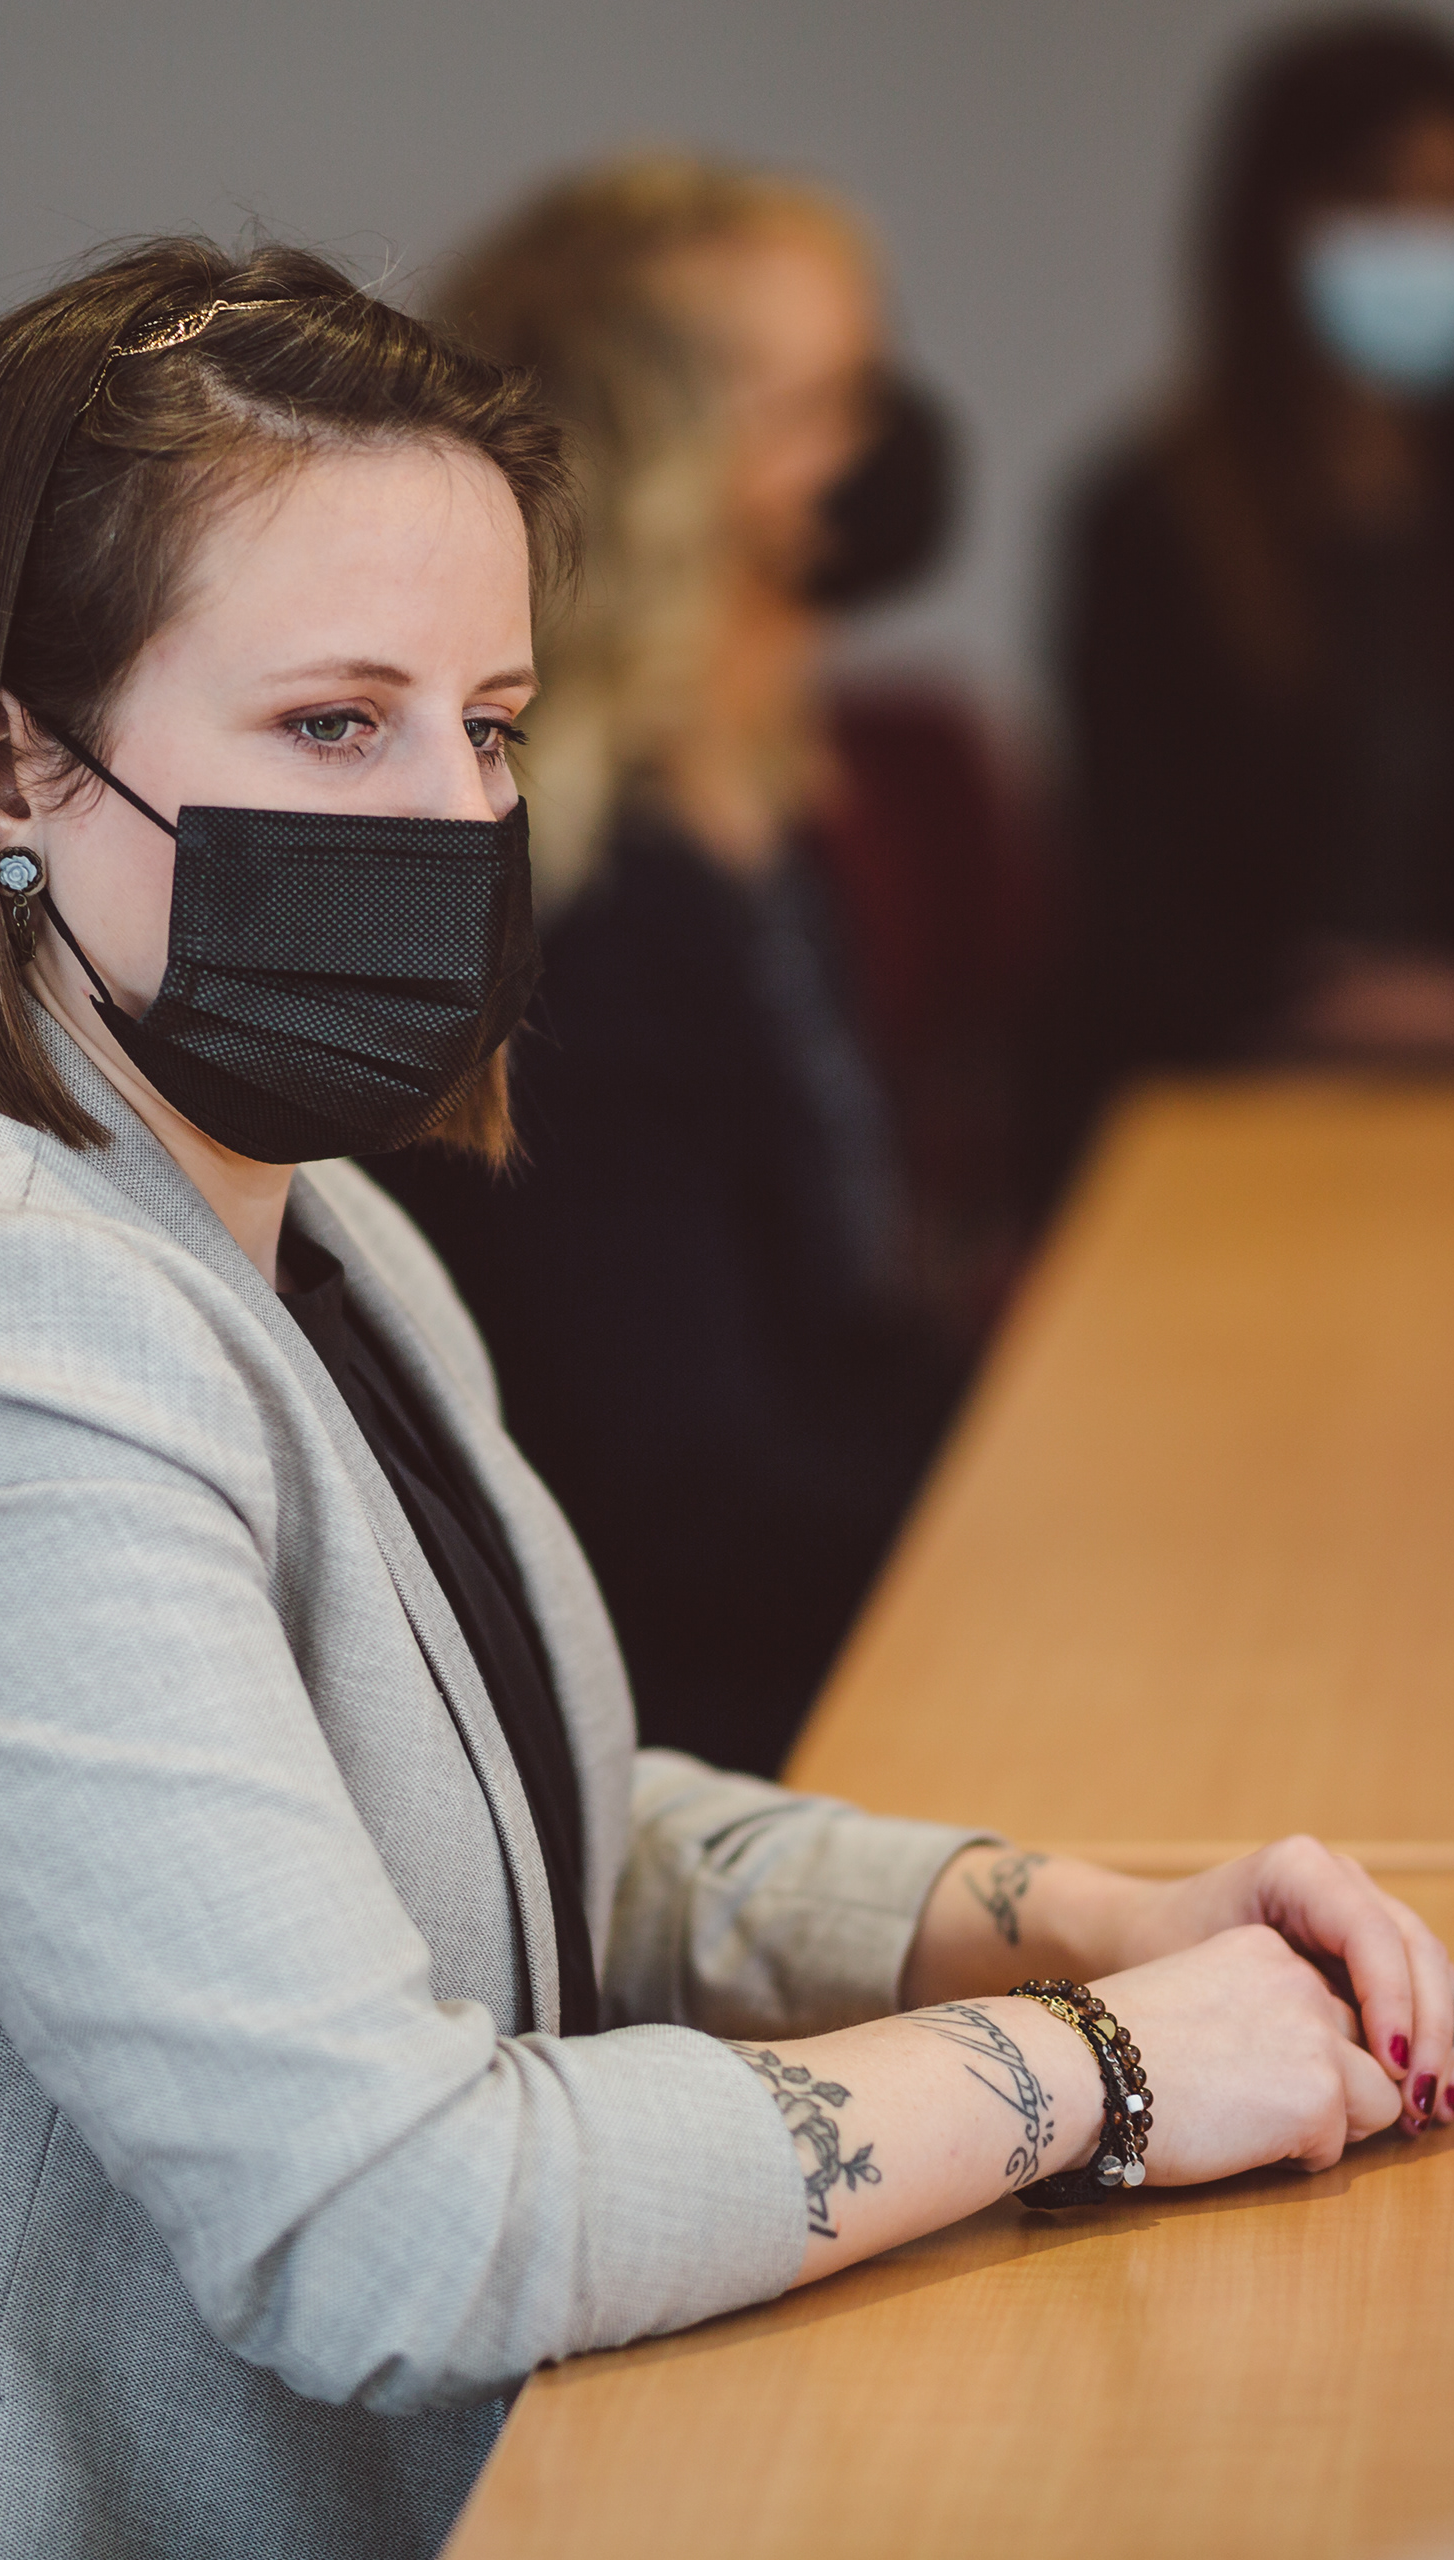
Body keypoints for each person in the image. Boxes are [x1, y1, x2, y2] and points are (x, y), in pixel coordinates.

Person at [0, 238, 1454, 2560]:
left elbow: (549, 1828)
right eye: (339, 723)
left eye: (494, 724)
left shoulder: (314, 1229)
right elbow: (391, 2222)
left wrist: (1074, 1918)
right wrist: (1099, 2073)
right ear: (15, 761)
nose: (455, 817)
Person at [379, 157, 1042, 1781]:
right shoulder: (578, 914)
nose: (887, 452)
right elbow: (691, 1494)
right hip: (720, 1734)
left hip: (858, 1610)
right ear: (667, 480)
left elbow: (845, 1339)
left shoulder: (762, 809)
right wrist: (1049, 1517)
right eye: (827, 406)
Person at [1048, 9, 1454, 1109]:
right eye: (1392, 204)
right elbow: (1132, 882)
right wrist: (1309, 1010)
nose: (1436, 245)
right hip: (1237, 1083)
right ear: (1282, 221)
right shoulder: (1148, 517)